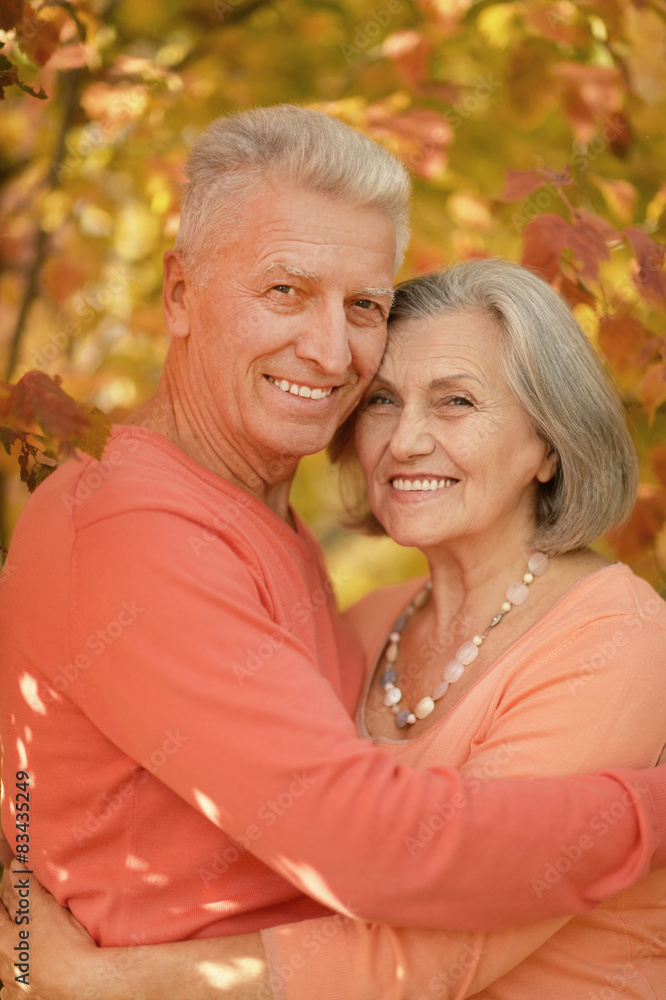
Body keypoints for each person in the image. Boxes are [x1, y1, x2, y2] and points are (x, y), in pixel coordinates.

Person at [1, 107, 666, 993]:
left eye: (363, 307)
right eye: (285, 291)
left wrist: (69, 966)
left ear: (550, 442)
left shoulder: (275, 537)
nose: (327, 351)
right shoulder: (137, 530)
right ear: (179, 294)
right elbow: (370, 846)